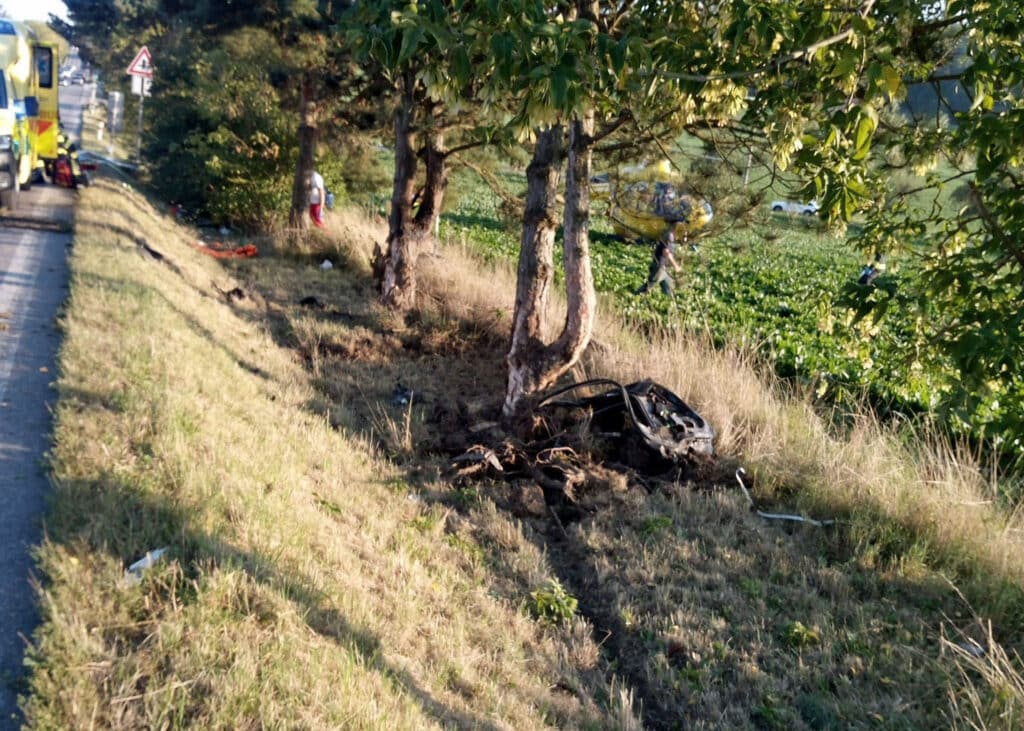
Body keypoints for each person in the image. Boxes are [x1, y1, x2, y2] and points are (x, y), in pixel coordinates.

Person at [636, 229, 680, 296]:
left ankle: (669, 299)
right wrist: (675, 266)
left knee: (668, 288)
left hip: (665, 268)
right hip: (659, 267)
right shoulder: (669, 235)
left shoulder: (670, 236)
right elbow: (666, 252)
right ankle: (636, 295)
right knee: (649, 285)